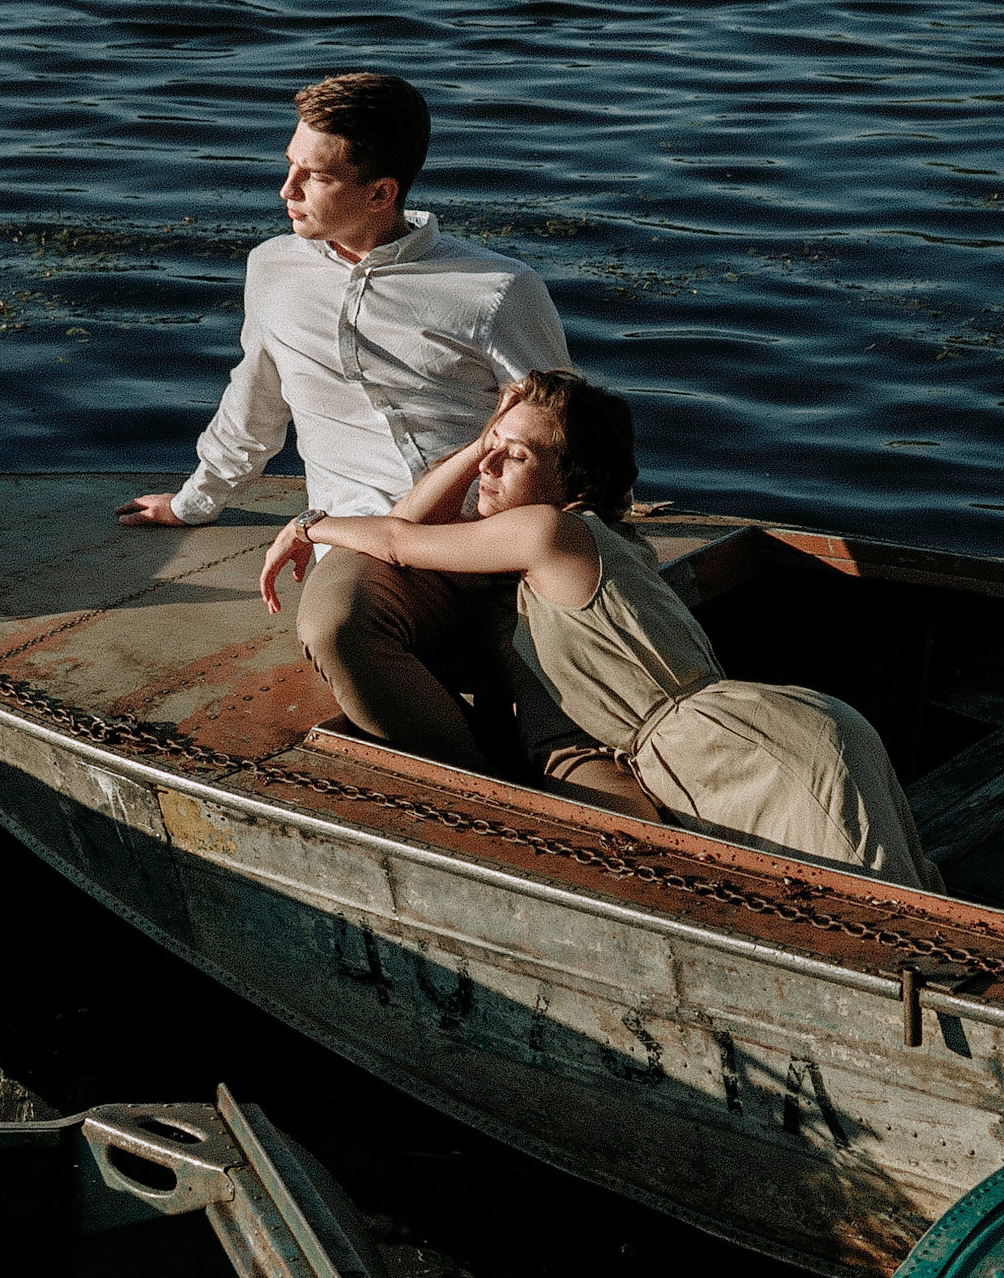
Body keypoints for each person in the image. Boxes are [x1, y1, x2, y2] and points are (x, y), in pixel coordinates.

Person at [259, 370, 941, 891]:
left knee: (888, 924)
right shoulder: (595, 540)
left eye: (515, 456)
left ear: (570, 479)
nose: (489, 468)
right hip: (778, 733)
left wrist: (308, 525)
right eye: (488, 453)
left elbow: (401, 541)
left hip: (742, 756)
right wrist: (486, 440)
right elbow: (412, 528)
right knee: (903, 910)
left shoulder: (550, 532)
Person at [117, 71, 572, 771]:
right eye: (288, 166)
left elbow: (565, 433)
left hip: (491, 542)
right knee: (333, 625)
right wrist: (193, 502)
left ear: (381, 192)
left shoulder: (498, 291)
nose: (285, 191)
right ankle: (477, 781)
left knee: (559, 704)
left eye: (312, 176)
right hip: (361, 541)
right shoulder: (272, 271)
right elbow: (255, 403)